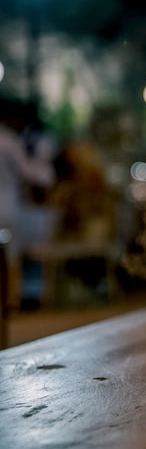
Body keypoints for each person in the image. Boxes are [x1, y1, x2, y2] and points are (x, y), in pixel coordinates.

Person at [0, 99, 56, 308]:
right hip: (8, 206)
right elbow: (30, 173)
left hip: (8, 204)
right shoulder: (10, 142)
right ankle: (9, 299)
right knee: (11, 256)